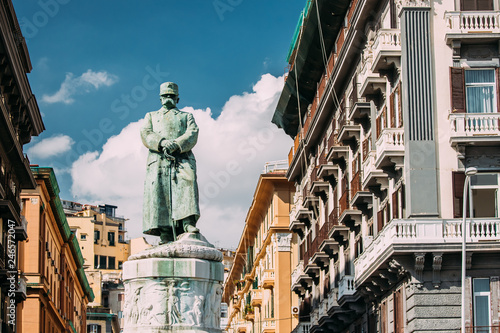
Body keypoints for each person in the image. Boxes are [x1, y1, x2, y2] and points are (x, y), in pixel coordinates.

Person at [140, 82, 200, 244]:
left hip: (182, 157)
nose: (168, 99)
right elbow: (145, 133)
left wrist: (177, 144)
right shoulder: (151, 116)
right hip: (158, 158)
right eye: (165, 96)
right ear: (160, 98)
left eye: (171, 96)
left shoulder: (186, 116)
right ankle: (165, 231)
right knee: (160, 191)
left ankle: (188, 222)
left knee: (187, 184)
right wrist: (162, 142)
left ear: (177, 99)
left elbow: (192, 133)